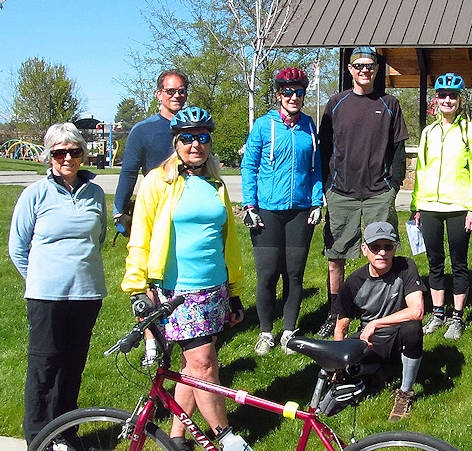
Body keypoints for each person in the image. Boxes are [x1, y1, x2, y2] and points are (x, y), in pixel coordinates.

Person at [121, 107, 247, 450]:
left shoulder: (215, 183)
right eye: (188, 138)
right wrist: (137, 288)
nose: (196, 145)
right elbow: (139, 237)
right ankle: (226, 436)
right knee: (204, 365)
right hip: (178, 290)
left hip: (214, 287)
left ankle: (177, 438)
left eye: (203, 138)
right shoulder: (157, 181)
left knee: (192, 365)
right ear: (176, 141)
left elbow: (228, 242)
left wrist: (233, 291)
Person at [9, 123, 106, 445]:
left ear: (82, 154)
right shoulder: (35, 194)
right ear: (49, 156)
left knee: (72, 368)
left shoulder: (94, 193)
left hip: (87, 293)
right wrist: (40, 278)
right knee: (44, 368)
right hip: (46, 296)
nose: (67, 157)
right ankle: (38, 438)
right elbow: (18, 247)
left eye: (74, 151)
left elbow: (99, 238)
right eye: (59, 152)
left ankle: (65, 432)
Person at [318, 46, 409, 338]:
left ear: (376, 69)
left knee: (382, 253)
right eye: (359, 66)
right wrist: (327, 186)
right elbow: (324, 149)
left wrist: (393, 186)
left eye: (369, 66)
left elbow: (398, 150)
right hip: (341, 193)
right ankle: (336, 312)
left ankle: (380, 312)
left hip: (378, 193)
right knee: (337, 256)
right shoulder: (335, 103)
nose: (364, 71)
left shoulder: (389, 103)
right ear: (350, 69)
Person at [241, 67, 323, 355]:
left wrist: (317, 202)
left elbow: (316, 169)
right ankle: (266, 332)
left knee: (294, 274)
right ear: (279, 95)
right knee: (267, 274)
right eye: (288, 92)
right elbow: (249, 166)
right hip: (267, 210)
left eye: (299, 92)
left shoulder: (309, 127)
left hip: (300, 211)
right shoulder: (265, 126)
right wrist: (249, 205)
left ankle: (289, 330)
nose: (293, 97)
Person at [114, 69, 189, 366]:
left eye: (181, 90)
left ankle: (183, 335)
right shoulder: (143, 130)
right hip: (153, 210)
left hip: (184, 212)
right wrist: (120, 210)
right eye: (170, 91)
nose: (176, 96)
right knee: (146, 277)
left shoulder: (191, 126)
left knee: (177, 275)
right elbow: (129, 171)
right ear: (159, 94)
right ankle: (150, 342)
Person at [410, 72, 472, 340]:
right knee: (434, 262)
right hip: (429, 206)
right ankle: (438, 313)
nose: (448, 100)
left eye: (453, 96)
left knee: (459, 263)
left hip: (459, 206)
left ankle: (458, 317)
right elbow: (421, 170)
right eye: (443, 95)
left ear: (459, 100)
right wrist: (417, 205)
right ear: (436, 99)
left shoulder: (470, 131)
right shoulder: (428, 132)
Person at [332, 222, 426, 421]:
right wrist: (337, 366)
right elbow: (341, 326)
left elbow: (417, 311)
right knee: (351, 374)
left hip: (397, 335)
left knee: (413, 328)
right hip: (371, 341)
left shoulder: (406, 267)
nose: (382, 252)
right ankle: (381, 371)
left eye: (388, 247)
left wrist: (376, 323)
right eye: (375, 247)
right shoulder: (354, 281)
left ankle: (405, 393)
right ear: (364, 250)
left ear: (395, 248)